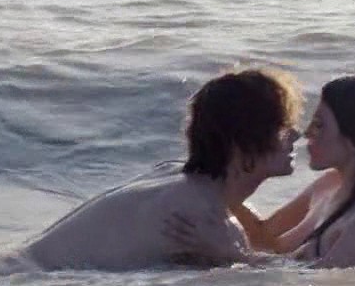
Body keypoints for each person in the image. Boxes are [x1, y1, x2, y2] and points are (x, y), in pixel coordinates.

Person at [19, 67, 303, 271]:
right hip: (32, 281)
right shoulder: (205, 217)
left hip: (17, 265)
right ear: (242, 142)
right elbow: (274, 283)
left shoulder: (178, 177)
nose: (296, 135)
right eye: (282, 127)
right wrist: (235, 258)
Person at [166, 74, 355, 268]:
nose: (307, 133)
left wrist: (230, 254)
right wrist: (218, 182)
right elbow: (265, 237)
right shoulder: (329, 185)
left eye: (319, 125)